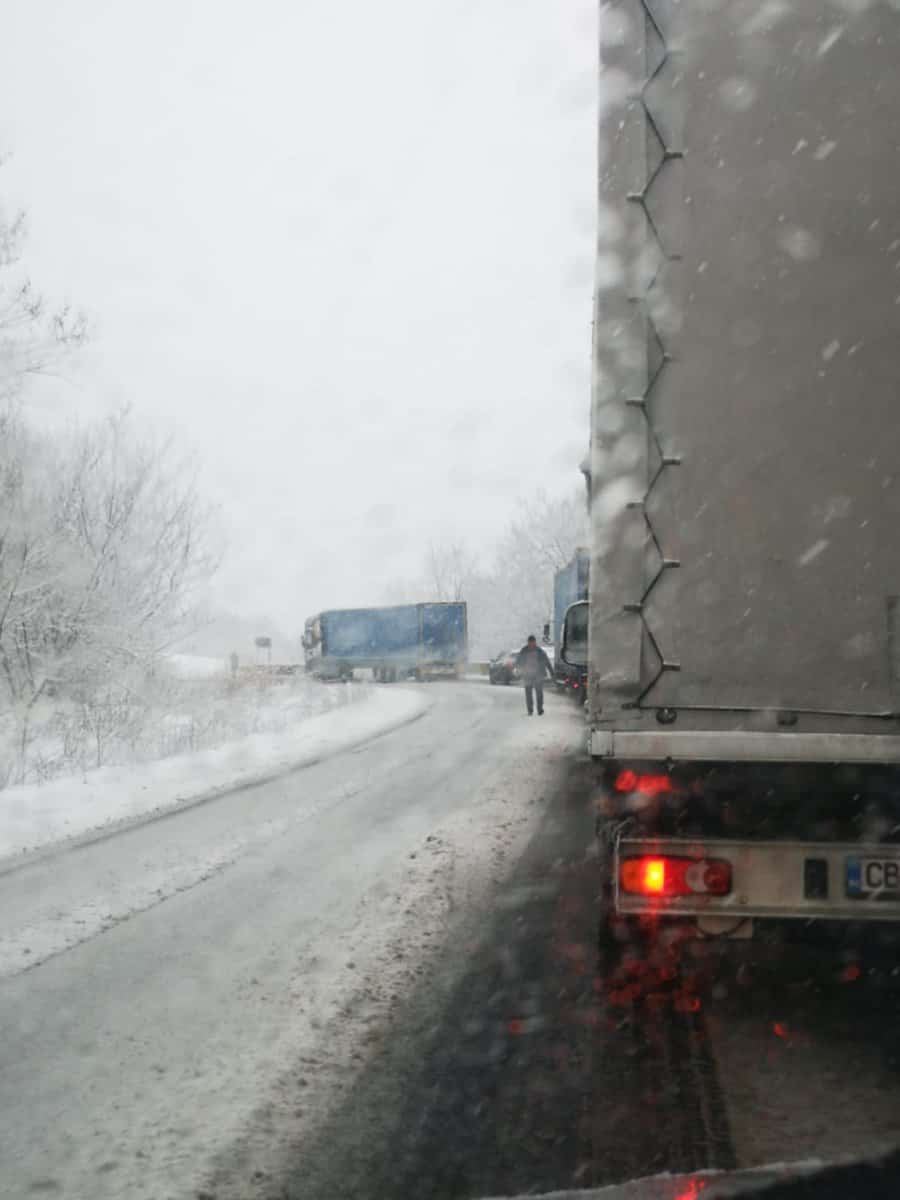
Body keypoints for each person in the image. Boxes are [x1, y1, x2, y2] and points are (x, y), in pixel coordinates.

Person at [515, 634, 554, 716]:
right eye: (530, 643)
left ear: (535, 642)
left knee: (539, 693)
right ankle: (530, 710)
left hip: (538, 675)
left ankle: (540, 709)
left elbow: (547, 662)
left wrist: (551, 672)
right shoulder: (524, 651)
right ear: (528, 642)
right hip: (527, 675)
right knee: (528, 694)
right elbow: (518, 661)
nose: (531, 644)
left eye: (532, 643)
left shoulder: (540, 651)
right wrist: (518, 669)